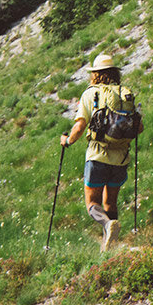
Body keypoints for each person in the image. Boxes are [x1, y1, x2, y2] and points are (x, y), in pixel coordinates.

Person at [60, 52, 134, 249]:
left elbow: (79, 127)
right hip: (121, 157)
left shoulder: (90, 94)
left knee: (92, 204)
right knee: (110, 203)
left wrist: (67, 141)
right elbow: (139, 127)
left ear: (96, 74)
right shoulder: (124, 94)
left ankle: (108, 225)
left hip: (97, 155)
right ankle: (109, 246)